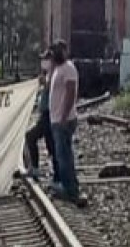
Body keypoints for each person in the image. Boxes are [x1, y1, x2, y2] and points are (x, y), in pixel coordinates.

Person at [49, 40, 85, 206]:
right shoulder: (58, 69)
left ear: (65, 50)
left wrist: (63, 116)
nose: (55, 53)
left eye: (58, 50)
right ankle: (67, 187)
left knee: (65, 157)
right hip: (57, 119)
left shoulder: (69, 68)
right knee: (62, 155)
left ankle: (70, 190)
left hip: (64, 120)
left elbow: (71, 93)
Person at [25, 50, 58, 181]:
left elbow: (54, 90)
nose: (43, 62)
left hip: (49, 114)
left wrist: (45, 84)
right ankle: (55, 173)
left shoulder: (54, 74)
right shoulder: (49, 74)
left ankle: (36, 168)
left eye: (46, 59)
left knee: (31, 137)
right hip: (46, 114)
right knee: (50, 145)